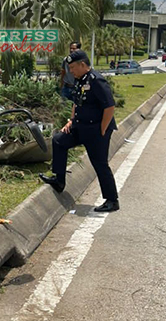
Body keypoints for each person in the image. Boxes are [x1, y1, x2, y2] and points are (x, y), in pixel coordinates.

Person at [40, 49, 119, 213]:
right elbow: (77, 102)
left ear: (83, 65)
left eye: (73, 68)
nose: (71, 71)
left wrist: (102, 130)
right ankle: (59, 180)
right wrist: (71, 120)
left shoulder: (97, 81)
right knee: (59, 140)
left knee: (100, 164)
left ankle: (112, 200)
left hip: (97, 130)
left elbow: (109, 107)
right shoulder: (80, 79)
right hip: (80, 126)